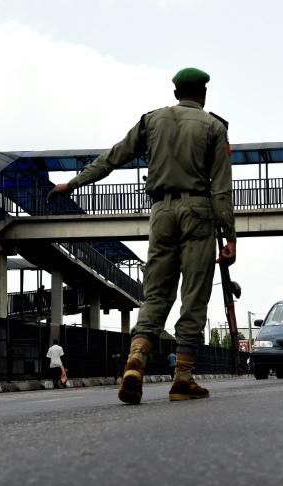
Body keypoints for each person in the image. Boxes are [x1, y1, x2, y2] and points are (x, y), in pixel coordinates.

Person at [47, 67, 236, 404]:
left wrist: (72, 184)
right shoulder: (213, 128)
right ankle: (183, 378)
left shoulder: (151, 121)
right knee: (193, 295)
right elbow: (221, 191)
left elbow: (112, 158)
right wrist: (230, 236)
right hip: (198, 213)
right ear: (203, 94)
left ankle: (136, 360)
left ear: (177, 92)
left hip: (160, 213)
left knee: (156, 294)